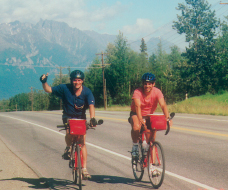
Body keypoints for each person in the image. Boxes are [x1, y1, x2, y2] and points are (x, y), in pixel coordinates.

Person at [40, 70, 96, 180]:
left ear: (82, 81)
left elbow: (91, 105)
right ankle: (68, 147)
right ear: (71, 81)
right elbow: (48, 89)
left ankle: (84, 168)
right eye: (75, 80)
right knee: (69, 133)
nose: (77, 82)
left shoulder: (87, 91)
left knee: (82, 142)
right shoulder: (64, 88)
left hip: (81, 118)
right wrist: (44, 82)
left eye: (79, 80)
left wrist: (92, 118)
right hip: (68, 117)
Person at [129, 72, 172, 160]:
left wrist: (167, 118)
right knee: (136, 126)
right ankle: (135, 146)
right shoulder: (137, 92)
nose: (147, 86)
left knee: (151, 140)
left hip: (149, 115)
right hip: (136, 113)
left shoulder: (157, 92)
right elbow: (137, 106)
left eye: (149, 84)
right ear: (142, 84)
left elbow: (163, 105)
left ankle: (152, 167)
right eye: (145, 84)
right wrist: (140, 119)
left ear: (153, 84)